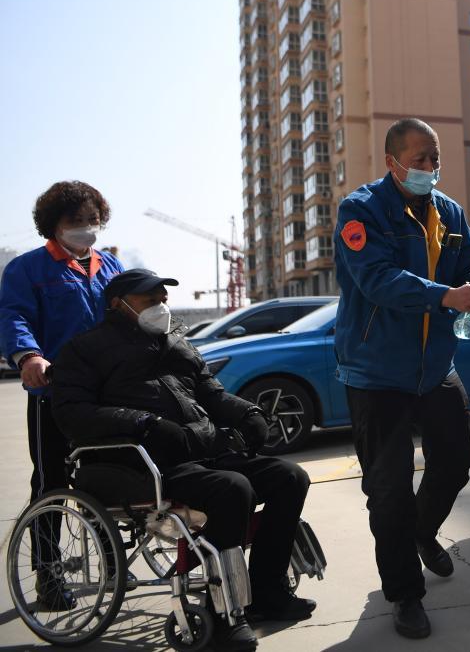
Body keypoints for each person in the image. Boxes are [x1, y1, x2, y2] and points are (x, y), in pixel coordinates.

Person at [50, 269, 316, 652]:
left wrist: (248, 413)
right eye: (149, 300)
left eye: (163, 299)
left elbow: (212, 394)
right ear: (117, 304)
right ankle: (223, 614)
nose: (160, 307)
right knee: (232, 489)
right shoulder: (84, 350)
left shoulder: (176, 344)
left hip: (200, 454)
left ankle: (267, 593)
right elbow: (72, 413)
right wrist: (144, 422)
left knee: (290, 477)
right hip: (140, 465)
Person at [334, 118, 470, 639]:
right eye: (419, 160)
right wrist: (445, 296)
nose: (430, 168)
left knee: (455, 461)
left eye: (435, 159)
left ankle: (421, 531)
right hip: (376, 374)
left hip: (435, 368)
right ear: (392, 162)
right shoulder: (360, 210)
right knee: (389, 489)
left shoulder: (449, 212)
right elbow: (377, 280)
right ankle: (404, 594)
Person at [0, 180, 123, 611]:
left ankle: (113, 563)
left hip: (107, 392)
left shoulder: (110, 267)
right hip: (53, 391)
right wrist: (29, 356)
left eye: (93, 219)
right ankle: (49, 576)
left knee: (105, 476)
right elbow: (13, 316)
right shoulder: (28, 269)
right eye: (76, 220)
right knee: (51, 481)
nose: (87, 227)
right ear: (54, 224)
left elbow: (131, 314)